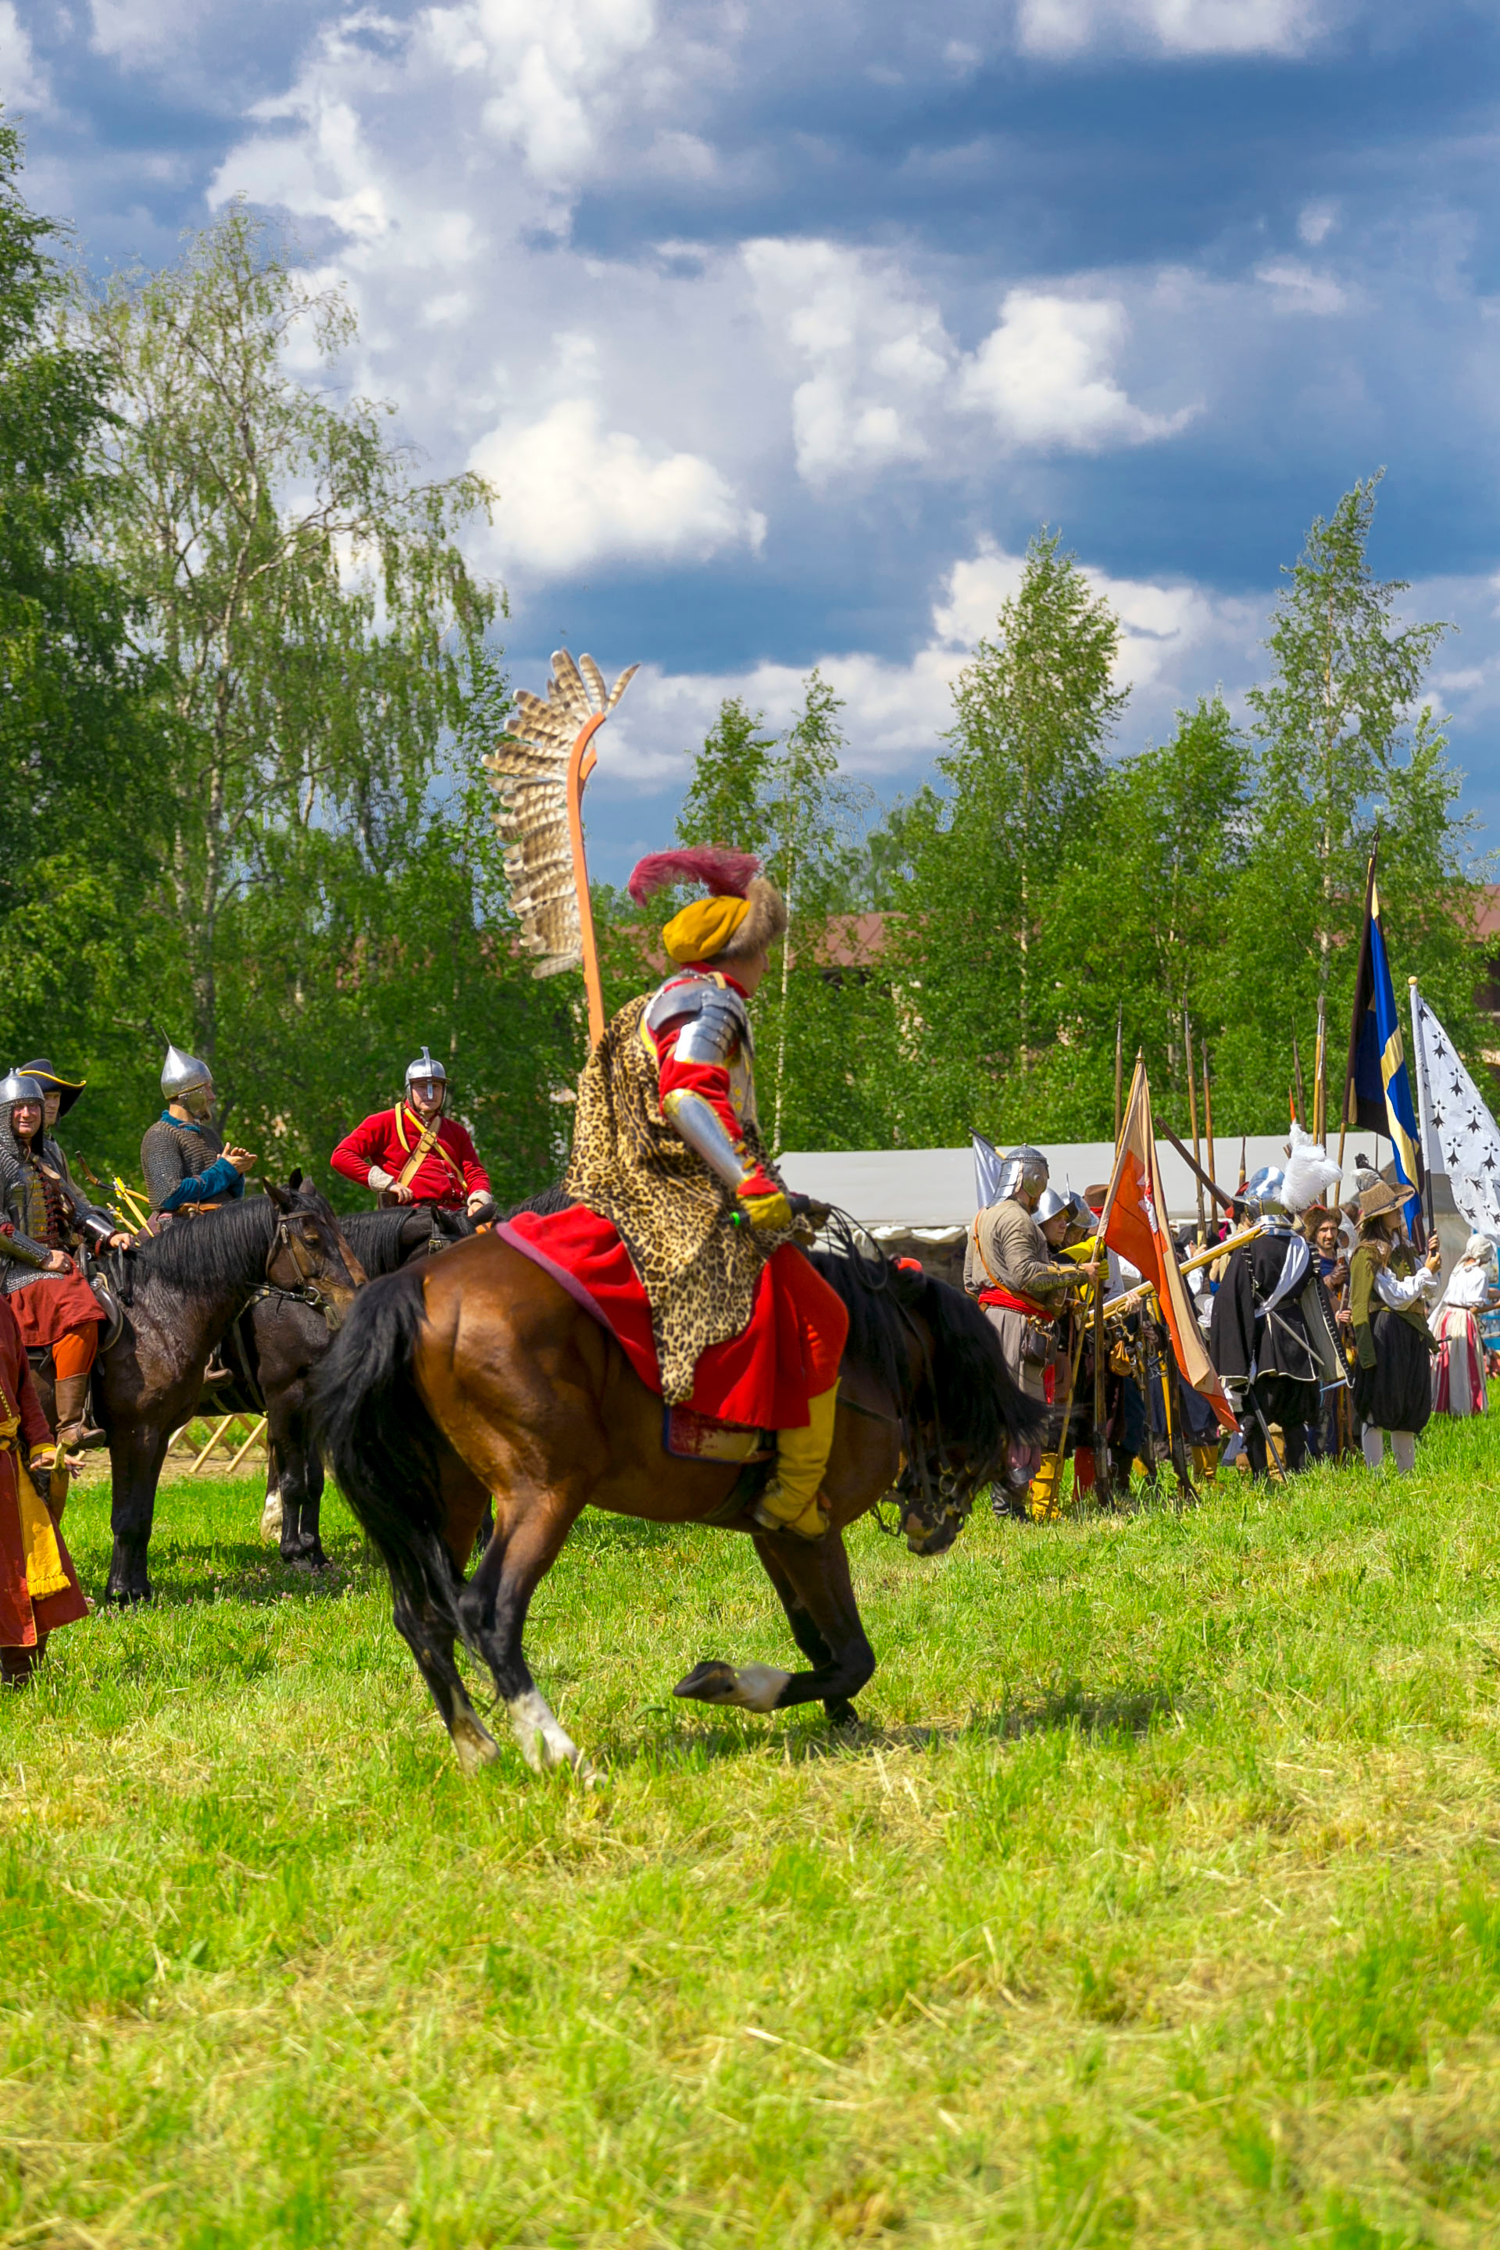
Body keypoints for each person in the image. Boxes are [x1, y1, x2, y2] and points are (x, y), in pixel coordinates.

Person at [504, 846, 849, 1542]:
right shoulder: (713, 1002)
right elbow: (689, 1095)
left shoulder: (649, 1003)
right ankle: (792, 1496)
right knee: (821, 1314)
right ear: (739, 950)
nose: (764, 964)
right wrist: (749, 1182)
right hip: (678, 1202)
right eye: (761, 949)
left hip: (613, 1191)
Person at [0, 1069, 131, 1456]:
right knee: (80, 1310)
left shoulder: (50, 1153)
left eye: (33, 1107)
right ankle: (70, 1424)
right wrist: (43, 1256)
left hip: (59, 1261)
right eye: (18, 1107)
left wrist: (107, 1234)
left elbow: (76, 1208)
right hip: (15, 1269)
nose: (27, 1114)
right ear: (4, 1113)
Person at [1208, 1138, 1345, 1483]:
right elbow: (1313, 1299)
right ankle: (1296, 1474)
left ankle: (1260, 1479)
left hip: (1264, 1343)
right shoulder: (1303, 1246)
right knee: (1294, 1420)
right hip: (1299, 1343)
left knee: (1254, 1418)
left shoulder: (1248, 1249)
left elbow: (1233, 1301)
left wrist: (1233, 1356)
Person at [0, 1287, 88, 1684]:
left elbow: (24, 1392)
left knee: (31, 1569)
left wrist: (41, 1445)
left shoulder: (2, 1312)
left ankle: (21, 1674)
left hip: (8, 1463)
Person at [330, 1048, 493, 1217]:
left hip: (457, 1214)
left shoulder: (456, 1131)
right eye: (422, 1086)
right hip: (409, 1215)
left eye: (436, 1086)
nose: (429, 1093)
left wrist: (478, 1201)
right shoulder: (383, 1122)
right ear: (409, 1089)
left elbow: (474, 1172)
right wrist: (387, 1183)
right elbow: (342, 1156)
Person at [1348, 1181, 1440, 1472]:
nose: (1399, 1212)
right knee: (1377, 1406)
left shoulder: (1404, 1248)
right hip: (1384, 1333)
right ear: (1379, 1216)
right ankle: (1376, 1477)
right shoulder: (1368, 1252)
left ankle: (1406, 1474)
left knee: (1407, 1405)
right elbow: (1395, 1297)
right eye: (1393, 1209)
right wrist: (1425, 1271)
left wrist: (1428, 1264)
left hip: (1409, 1334)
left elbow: (1429, 1290)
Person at [141, 1043, 256, 1214]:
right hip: (183, 1232)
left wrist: (235, 1172)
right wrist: (224, 1170)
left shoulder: (208, 1135)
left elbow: (230, 1196)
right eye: (206, 1089)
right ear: (188, 1093)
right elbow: (171, 1196)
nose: (212, 1096)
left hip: (220, 1225)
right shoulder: (160, 1135)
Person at [1430, 1233, 1494, 1419]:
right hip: (1463, 1320)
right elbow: (1474, 1307)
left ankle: (1446, 1404)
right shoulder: (1480, 1274)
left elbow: (1472, 1293)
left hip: (1446, 1318)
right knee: (1464, 1364)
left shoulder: (1459, 1269)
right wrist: (1497, 1305)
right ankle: (1466, 1406)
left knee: (1448, 1362)